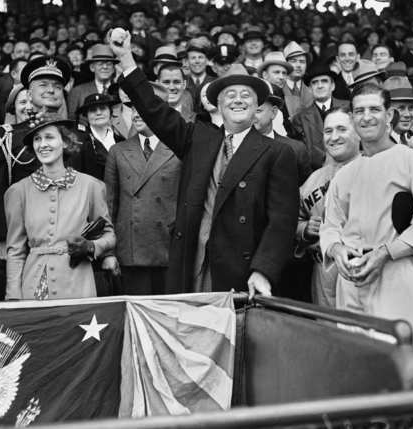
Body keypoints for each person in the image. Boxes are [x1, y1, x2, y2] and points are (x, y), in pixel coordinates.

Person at [110, 28, 299, 298]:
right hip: (192, 264)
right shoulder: (198, 139)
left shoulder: (277, 153)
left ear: (258, 105)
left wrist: (263, 270)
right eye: (229, 95)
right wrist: (127, 59)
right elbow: (155, 110)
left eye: (246, 95)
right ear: (219, 106)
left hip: (242, 273)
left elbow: (282, 221)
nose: (237, 100)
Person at [320, 83, 413, 353]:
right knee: (358, 363)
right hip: (352, 275)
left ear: (389, 115)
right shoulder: (345, 173)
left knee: (407, 361)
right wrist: (337, 249)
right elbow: (330, 224)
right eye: (359, 111)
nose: (366, 117)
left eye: (374, 109)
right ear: (353, 118)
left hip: (397, 269)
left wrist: (385, 254)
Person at [5, 113, 116, 300]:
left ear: (65, 142)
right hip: (35, 284)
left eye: (49, 137)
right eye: (37, 139)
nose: (43, 144)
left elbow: (109, 235)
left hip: (78, 281)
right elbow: (15, 250)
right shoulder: (18, 191)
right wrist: (13, 295)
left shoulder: (91, 186)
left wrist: (91, 246)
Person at [0, 58, 72, 297]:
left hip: (67, 239)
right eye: (43, 84)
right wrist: (2, 239)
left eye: (56, 85)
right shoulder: (10, 137)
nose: (51, 90)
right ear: (29, 92)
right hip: (24, 240)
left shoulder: (78, 135)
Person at [104, 82, 181, 295]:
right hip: (130, 252)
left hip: (169, 250)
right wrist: (108, 252)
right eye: (133, 108)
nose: (136, 114)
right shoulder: (118, 151)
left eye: (142, 108)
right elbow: (109, 205)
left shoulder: (180, 148)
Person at [298, 106, 360, 307]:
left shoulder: (377, 167)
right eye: (328, 131)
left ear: (358, 132)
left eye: (342, 129)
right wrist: (305, 229)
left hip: (364, 269)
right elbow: (293, 219)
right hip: (324, 273)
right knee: (327, 334)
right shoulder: (314, 180)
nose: (334, 137)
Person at [292, 63, 349, 170]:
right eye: (315, 82)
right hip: (317, 172)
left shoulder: (349, 108)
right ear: (309, 89)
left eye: (324, 81)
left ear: (332, 86)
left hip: (350, 166)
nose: (320, 85)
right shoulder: (299, 118)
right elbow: (304, 153)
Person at [253, 92, 312, 185]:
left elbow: (307, 188)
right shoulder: (233, 146)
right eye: (246, 110)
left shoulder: (295, 149)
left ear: (274, 112)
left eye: (258, 111)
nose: (251, 116)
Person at [77, 93, 125, 181]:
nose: (98, 113)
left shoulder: (122, 141)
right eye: (93, 110)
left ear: (111, 113)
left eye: (103, 108)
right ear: (86, 116)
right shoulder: (80, 143)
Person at [67, 44, 118, 116]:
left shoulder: (121, 92)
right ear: (92, 67)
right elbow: (71, 119)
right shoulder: (77, 92)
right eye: (100, 64)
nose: (105, 67)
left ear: (113, 69)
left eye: (109, 64)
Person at [383, 75, 413, 144]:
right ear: (386, 111)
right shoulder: (379, 145)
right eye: (401, 108)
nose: (407, 114)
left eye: (411, 108)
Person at [283, 42, 315, 117]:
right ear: (285, 65)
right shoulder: (278, 89)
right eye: (293, 61)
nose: (298, 65)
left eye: (302, 62)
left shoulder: (312, 91)